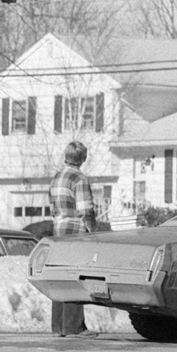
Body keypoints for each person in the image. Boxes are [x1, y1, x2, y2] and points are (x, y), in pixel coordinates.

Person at [49, 140, 98, 338]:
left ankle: (58, 326)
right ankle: (74, 327)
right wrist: (94, 229)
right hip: (76, 230)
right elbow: (86, 210)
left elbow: (53, 207)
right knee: (75, 278)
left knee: (61, 277)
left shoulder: (57, 177)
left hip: (59, 228)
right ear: (83, 158)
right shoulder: (80, 179)